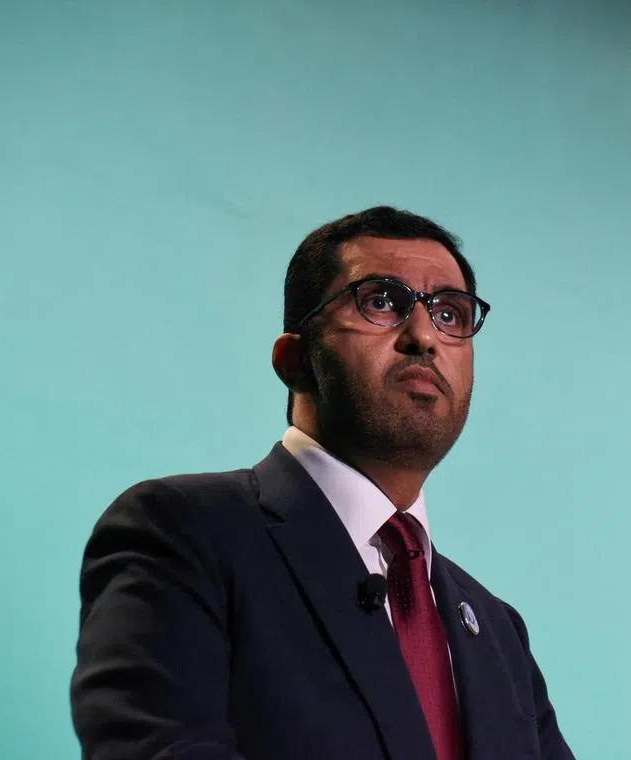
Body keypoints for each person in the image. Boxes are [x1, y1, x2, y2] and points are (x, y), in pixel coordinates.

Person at [70, 206, 574, 759]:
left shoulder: (500, 633)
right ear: (294, 359)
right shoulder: (182, 532)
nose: (425, 336)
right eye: (381, 301)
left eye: (450, 315)